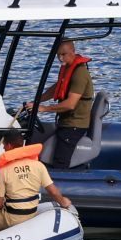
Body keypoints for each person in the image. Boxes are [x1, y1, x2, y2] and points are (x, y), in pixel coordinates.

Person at [0, 129, 72, 234]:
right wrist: (63, 202)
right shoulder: (38, 165)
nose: (3, 147)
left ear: (9, 146)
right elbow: (53, 191)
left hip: (12, 218)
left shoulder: (3, 171)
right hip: (31, 214)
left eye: (4, 145)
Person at [24, 38, 94, 169]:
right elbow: (57, 88)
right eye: (58, 55)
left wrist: (44, 108)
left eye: (64, 54)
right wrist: (37, 100)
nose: (61, 58)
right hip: (66, 122)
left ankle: (61, 183)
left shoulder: (80, 74)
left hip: (74, 125)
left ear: (73, 51)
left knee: (60, 162)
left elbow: (70, 104)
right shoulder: (68, 68)